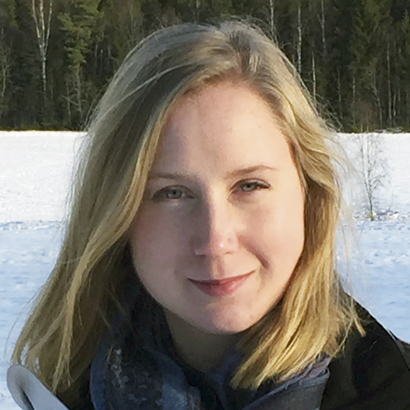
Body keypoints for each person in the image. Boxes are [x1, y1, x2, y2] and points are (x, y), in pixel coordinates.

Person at [7, 21, 410, 410]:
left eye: (250, 185)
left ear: (310, 196)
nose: (215, 240)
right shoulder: (65, 394)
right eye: (172, 193)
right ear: (115, 213)